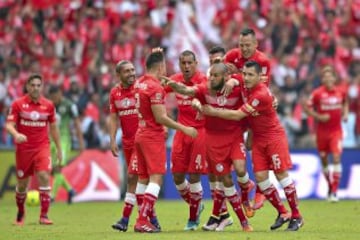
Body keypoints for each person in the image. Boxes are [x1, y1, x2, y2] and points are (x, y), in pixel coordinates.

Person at [201, 60, 303, 231]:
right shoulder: (243, 83)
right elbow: (233, 78)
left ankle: (296, 215)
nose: (246, 78)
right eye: (245, 74)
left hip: (273, 137)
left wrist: (213, 111)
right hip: (258, 139)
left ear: (260, 77)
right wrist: (233, 79)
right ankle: (283, 212)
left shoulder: (260, 94)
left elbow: (238, 115)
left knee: (281, 176)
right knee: (262, 181)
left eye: (250, 75)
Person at [162, 62, 254, 232]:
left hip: (234, 137)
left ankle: (246, 194)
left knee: (240, 169)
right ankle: (243, 222)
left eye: (215, 76)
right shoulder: (206, 88)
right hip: (213, 140)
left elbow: (251, 79)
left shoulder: (236, 86)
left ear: (225, 77)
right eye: (210, 75)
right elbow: (190, 91)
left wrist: (234, 80)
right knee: (225, 179)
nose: (211, 78)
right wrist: (178, 88)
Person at [133, 48, 198, 233]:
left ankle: (144, 219)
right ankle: (142, 220)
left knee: (143, 179)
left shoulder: (139, 83)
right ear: (160, 66)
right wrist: (183, 128)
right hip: (152, 137)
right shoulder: (154, 87)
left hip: (141, 133)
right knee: (156, 178)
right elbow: (161, 117)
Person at [109, 60, 160, 232]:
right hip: (127, 142)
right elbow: (114, 117)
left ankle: (128, 218)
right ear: (119, 75)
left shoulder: (140, 87)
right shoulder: (115, 93)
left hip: (142, 140)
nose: (132, 73)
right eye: (127, 71)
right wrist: (112, 139)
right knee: (135, 179)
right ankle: (149, 218)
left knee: (134, 178)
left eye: (133, 70)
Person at [5, 74, 62, 225]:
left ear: (42, 87)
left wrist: (59, 148)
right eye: (33, 85)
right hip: (24, 149)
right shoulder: (18, 104)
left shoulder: (49, 105)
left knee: (44, 176)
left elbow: (54, 128)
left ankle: (44, 215)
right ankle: (21, 213)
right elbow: (8, 125)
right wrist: (16, 134)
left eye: (38, 85)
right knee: (23, 184)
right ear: (28, 87)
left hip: (42, 147)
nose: (36, 88)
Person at [224, 28, 271, 210]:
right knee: (234, 143)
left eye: (247, 45)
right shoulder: (231, 56)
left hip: (257, 107)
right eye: (241, 45)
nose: (243, 48)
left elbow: (260, 85)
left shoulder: (263, 61)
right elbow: (221, 73)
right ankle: (246, 186)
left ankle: (260, 188)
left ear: (256, 44)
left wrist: (235, 77)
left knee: (254, 145)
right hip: (240, 105)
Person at [164, 50, 207, 231]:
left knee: (194, 175)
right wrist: (163, 119)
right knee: (177, 176)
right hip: (182, 132)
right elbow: (157, 93)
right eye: (183, 63)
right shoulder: (175, 79)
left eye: (190, 62)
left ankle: (192, 220)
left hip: (199, 132)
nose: (187, 66)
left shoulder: (204, 80)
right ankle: (197, 204)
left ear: (196, 63)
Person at [303, 66, 348, 202]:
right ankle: (329, 186)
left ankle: (334, 191)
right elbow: (307, 107)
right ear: (322, 79)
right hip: (322, 133)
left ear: (334, 78)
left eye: (330, 76)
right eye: (325, 77)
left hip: (336, 131)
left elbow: (345, 102)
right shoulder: (317, 93)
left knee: (336, 158)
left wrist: (345, 113)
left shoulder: (341, 91)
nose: (328, 79)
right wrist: (318, 117)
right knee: (324, 160)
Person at [48, 85, 84, 204]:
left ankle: (52, 197)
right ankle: (70, 190)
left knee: (58, 169)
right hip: (51, 140)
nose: (54, 99)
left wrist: (80, 142)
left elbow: (77, 123)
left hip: (64, 140)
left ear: (60, 94)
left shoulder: (69, 105)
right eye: (52, 97)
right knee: (53, 171)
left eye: (55, 96)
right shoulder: (49, 105)